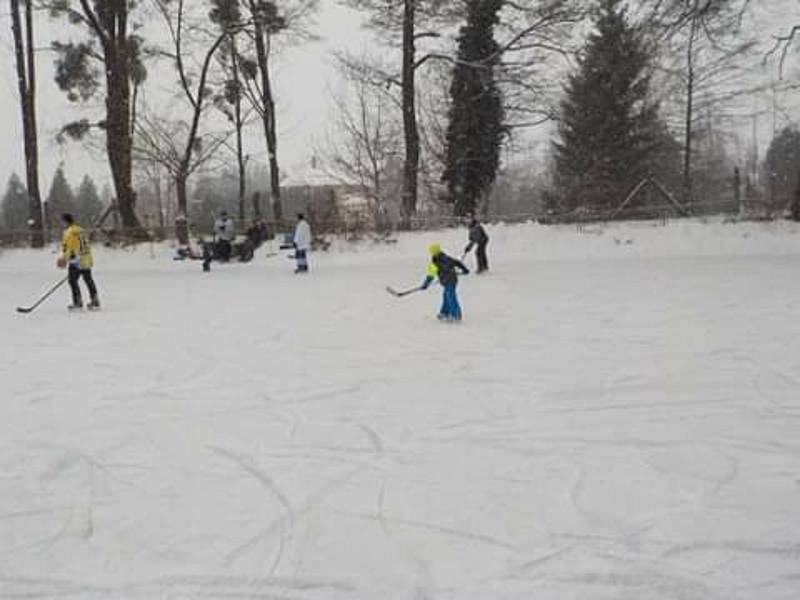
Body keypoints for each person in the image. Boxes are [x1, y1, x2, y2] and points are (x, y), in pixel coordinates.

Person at [58, 213, 100, 310]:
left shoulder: (69, 232)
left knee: (72, 281)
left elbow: (71, 247)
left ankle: (78, 302)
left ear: (66, 221)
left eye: (62, 221)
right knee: (88, 280)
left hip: (76, 260)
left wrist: (64, 258)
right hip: (86, 259)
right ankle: (95, 300)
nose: (61, 223)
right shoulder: (80, 229)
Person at [421, 243, 469, 321]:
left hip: (449, 281)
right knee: (446, 296)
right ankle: (444, 312)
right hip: (451, 280)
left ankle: (455, 315)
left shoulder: (435, 262)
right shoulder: (446, 257)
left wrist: (426, 284)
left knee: (451, 297)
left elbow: (430, 275)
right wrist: (465, 269)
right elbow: (457, 262)